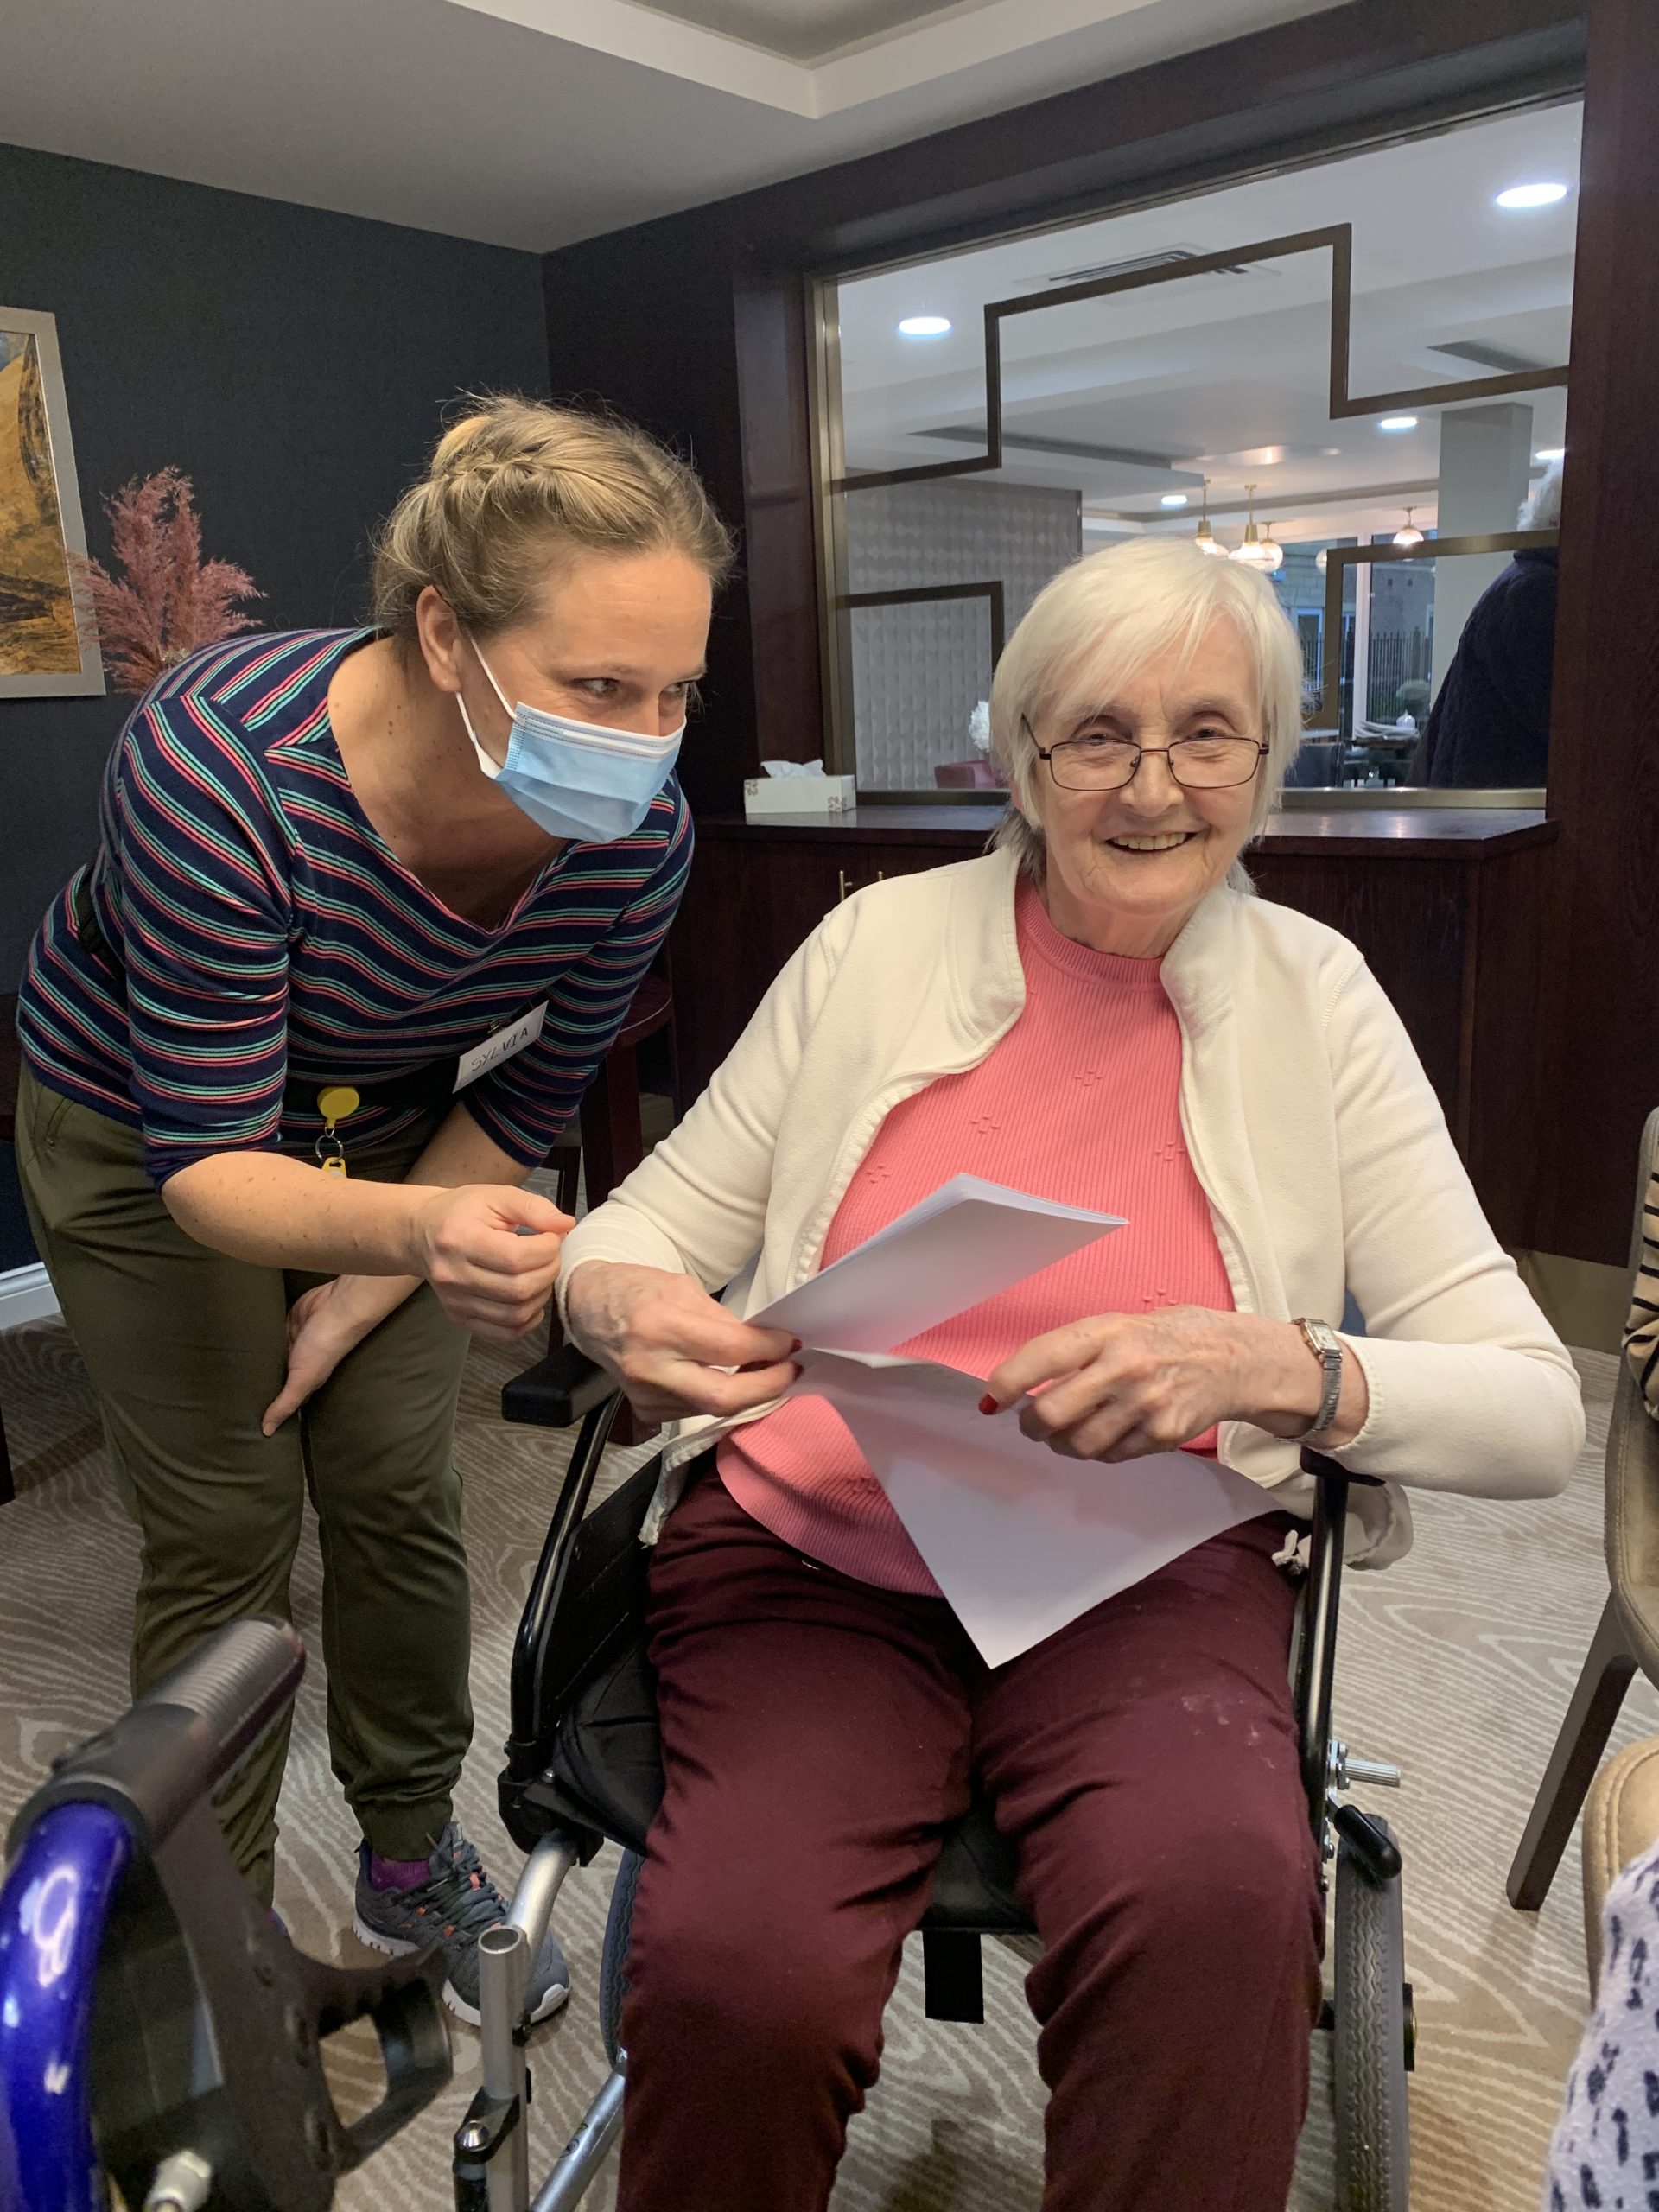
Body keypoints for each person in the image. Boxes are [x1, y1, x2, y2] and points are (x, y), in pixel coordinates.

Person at [556, 536, 1585, 2212]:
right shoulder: (876, 946)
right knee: (745, 1970)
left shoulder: (1316, 997)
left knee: (1214, 1913)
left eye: (1208, 732)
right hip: (819, 1551)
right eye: (1100, 732)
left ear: (1271, 754)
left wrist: (1278, 1363)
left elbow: (1537, 1408)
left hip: (1149, 1562)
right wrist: (614, 1297)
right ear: (1026, 755)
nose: (1154, 785)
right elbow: (651, 1222)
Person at [13, 397, 732, 2025]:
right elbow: (209, 1166)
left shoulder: (635, 844)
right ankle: (209, 1932)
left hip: (389, 1123)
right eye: (598, 687)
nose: (645, 739)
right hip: (150, 1131)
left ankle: (409, 1852)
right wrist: (412, 1242)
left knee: (399, 1486)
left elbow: (529, 1100)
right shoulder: (220, 767)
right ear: (446, 632)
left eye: (676, 691)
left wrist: (376, 1276)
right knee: (229, 1518)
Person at [1411, 457, 1563, 788]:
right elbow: (1559, 723)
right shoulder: (1537, 593)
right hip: (1502, 804)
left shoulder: (1522, 584)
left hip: (1481, 798)